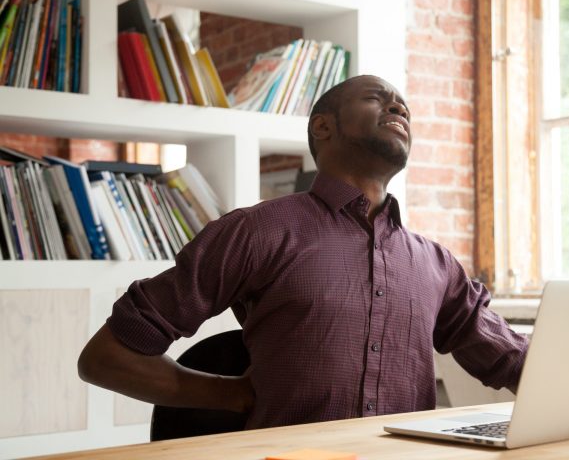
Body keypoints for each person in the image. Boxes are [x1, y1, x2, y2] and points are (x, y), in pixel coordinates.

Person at [77, 74, 530, 430]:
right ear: (323, 126)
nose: (397, 106)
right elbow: (108, 357)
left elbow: (514, 360)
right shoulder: (257, 232)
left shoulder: (437, 266)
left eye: (403, 106)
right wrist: (231, 395)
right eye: (377, 97)